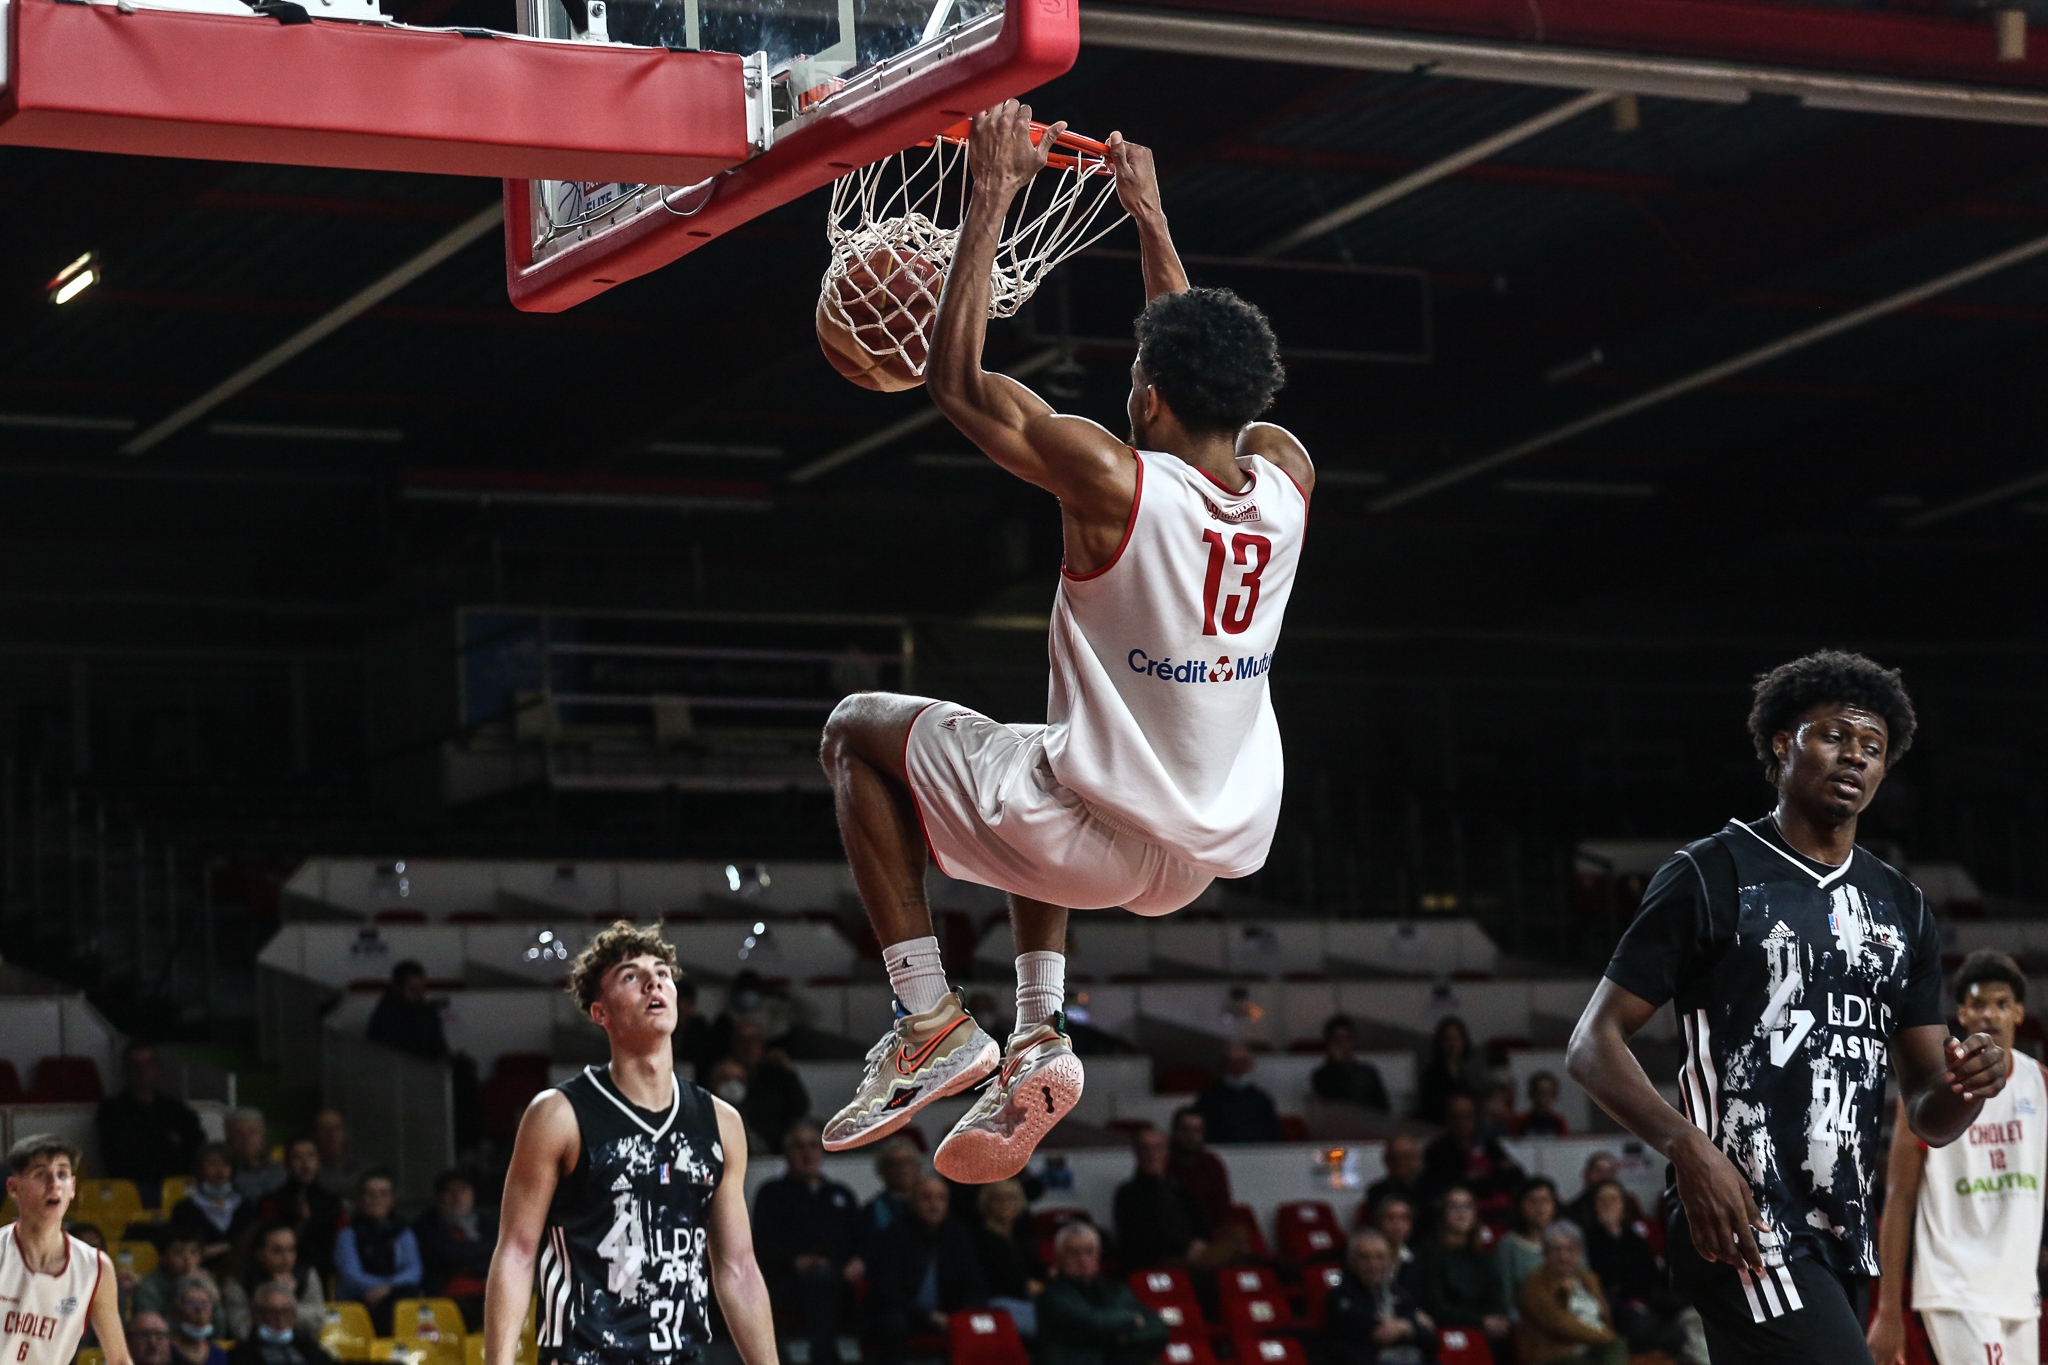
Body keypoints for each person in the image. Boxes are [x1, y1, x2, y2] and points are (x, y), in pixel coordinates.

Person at [816, 103, 1310, 1190]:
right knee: (1043, 748)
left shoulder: (1109, 479)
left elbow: (955, 387)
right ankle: (1037, 1030)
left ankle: (925, 1018)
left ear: (1146, 396)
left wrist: (990, 191)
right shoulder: (1286, 477)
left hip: (1086, 840)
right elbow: (1189, 349)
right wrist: (1148, 216)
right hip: (1192, 857)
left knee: (854, 732)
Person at [1567, 651, 2008, 1363]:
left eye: (1873, 748)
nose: (1855, 757)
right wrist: (1689, 1149)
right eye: (1835, 736)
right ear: (1783, 741)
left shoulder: (1902, 906)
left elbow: (1929, 1105)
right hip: (1747, 1216)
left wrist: (1967, 1087)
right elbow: (1593, 1042)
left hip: (1844, 1224)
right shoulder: (1713, 871)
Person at [482, 922, 776, 1365]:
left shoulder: (721, 1122)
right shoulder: (558, 1114)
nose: (654, 981)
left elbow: (738, 1269)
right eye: (630, 976)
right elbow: (517, 1253)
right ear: (600, 1013)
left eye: (661, 972)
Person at [1870, 950, 2045, 1365]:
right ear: (1962, 1014)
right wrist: (1889, 1310)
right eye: (1979, 1004)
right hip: (1955, 1287)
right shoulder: (1935, 1089)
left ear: (2019, 1013)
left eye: (2002, 1004)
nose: (1990, 1015)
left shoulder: (2039, 1082)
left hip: (2020, 1293)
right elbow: (1898, 1197)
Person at [0, 1134, 131, 1365]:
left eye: (62, 1174)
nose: (54, 1185)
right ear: (13, 1188)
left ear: (72, 1188)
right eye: (40, 1175)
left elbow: (119, 1359)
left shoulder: (96, 1267)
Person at [753, 1120, 862, 1365]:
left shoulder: (840, 1193)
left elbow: (862, 1238)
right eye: (799, 1146)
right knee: (819, 1280)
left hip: (842, 1278)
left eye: (813, 1145)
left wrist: (859, 1260)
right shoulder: (771, 1193)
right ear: (787, 1154)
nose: (807, 1152)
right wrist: (795, 1261)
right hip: (790, 1281)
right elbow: (763, 1243)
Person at [863, 1175, 987, 1365]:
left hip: (947, 1313)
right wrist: (926, 1316)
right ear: (913, 1202)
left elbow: (975, 1284)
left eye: (940, 1198)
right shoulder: (895, 1234)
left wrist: (960, 1316)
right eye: (926, 1198)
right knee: (893, 1322)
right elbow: (887, 1291)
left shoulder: (958, 1234)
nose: (934, 1205)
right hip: (905, 1312)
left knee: (981, 1321)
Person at [1581, 1180, 1697, 1361]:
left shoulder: (1635, 1238)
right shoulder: (1588, 1239)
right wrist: (1611, 1236)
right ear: (1593, 1206)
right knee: (1659, 1330)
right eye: (1602, 1201)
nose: (1608, 1206)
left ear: (1622, 1205)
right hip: (1615, 1305)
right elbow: (1605, 1278)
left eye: (1613, 1200)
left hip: (1649, 1299)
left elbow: (1651, 1274)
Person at [1036, 1223, 1168, 1365]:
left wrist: (1122, 1336)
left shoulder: (1115, 1290)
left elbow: (1159, 1329)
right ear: (1059, 1257)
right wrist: (1132, 1320)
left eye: (1089, 1251)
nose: (1083, 1260)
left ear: (1099, 1254)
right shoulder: (1051, 1297)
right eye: (1074, 1253)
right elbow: (1093, 1323)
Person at [96, 1042, 206, 1206]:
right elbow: (118, 1158)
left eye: (149, 1063)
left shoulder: (176, 1110)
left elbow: (195, 1146)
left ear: (157, 1067)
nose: (143, 1070)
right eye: (136, 1065)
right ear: (126, 1070)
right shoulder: (112, 1112)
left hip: (178, 1186)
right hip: (132, 1190)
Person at [1515, 1223, 1627, 1365]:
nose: (1563, 1256)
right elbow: (1560, 1323)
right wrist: (1605, 1337)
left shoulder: (1588, 1278)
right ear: (1545, 1252)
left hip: (1594, 1345)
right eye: (1556, 1250)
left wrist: (1607, 1338)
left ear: (1580, 1251)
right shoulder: (1535, 1284)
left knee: (1617, 1345)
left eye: (1570, 1249)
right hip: (1558, 1352)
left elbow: (1604, 1317)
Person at [1415, 1186, 1510, 1349]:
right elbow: (1436, 1307)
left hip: (1485, 1334)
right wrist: (1481, 1321)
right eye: (1454, 1206)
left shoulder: (1485, 1256)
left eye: (1467, 1206)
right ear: (1442, 1213)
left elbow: (1497, 1299)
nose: (1462, 1212)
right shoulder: (1429, 1255)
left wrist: (1497, 1320)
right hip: (1445, 1335)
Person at [1323, 1229, 1435, 1365]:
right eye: (1365, 1257)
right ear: (1352, 1260)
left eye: (1380, 1257)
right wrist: (1410, 1326)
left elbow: (1432, 1340)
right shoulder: (1341, 1296)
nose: (1373, 1264)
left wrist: (1405, 1327)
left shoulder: (1400, 1293)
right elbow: (1378, 1333)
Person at [332, 1171, 421, 1335]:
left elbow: (414, 1271)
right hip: (359, 1300)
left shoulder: (403, 1232)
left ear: (392, 1199)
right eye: (370, 1193)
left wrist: (388, 1288)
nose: (377, 1199)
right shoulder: (347, 1234)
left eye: (383, 1193)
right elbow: (352, 1276)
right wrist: (384, 1288)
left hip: (395, 1295)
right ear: (360, 1198)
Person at [1112, 1127, 1213, 1270]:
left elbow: (1201, 1228)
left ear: (1167, 1153)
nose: (1151, 1155)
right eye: (1145, 1149)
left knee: (1237, 1236)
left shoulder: (1181, 1191)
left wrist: (1199, 1245)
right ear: (1137, 1154)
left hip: (1193, 1256)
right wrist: (1185, 1249)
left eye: (1157, 1148)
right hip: (1156, 1262)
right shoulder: (1127, 1194)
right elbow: (1136, 1241)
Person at [414, 1170, 495, 1326]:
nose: (457, 1197)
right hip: (446, 1298)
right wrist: (479, 1255)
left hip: (488, 1294)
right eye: (450, 1191)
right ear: (439, 1197)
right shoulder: (427, 1227)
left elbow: (498, 1255)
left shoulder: (488, 1226)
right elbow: (446, 1255)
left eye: (463, 1190)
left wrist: (467, 1262)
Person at [258, 1139, 345, 1281]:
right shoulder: (272, 1201)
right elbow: (268, 1242)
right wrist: (300, 1223)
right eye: (297, 1157)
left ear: (318, 1162)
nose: (305, 1163)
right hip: (282, 1274)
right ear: (287, 1164)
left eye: (310, 1156)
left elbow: (342, 1241)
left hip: (325, 1271)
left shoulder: (333, 1201)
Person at [1422, 1093, 1523, 1211]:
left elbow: (1515, 1173)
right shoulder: (1437, 1151)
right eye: (1457, 1116)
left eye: (1467, 1116)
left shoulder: (1489, 1145)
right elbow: (1448, 1184)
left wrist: (1481, 1180)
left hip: (1498, 1210)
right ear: (1448, 1119)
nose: (1462, 1122)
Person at [223, 1225, 326, 1340]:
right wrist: (268, 1301)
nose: (286, 1258)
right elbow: (241, 1330)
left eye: (291, 1250)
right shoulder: (239, 1280)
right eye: (277, 1251)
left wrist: (289, 1300)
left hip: (299, 1346)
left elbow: (317, 1324)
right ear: (260, 1253)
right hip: (254, 1349)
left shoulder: (307, 1275)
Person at [724, 1020, 812, 1154]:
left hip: (778, 1143)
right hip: (738, 1143)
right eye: (744, 1040)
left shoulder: (776, 1073)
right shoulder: (723, 1073)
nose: (749, 1046)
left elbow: (801, 1106)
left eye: (755, 1040)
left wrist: (790, 1071)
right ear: (734, 1044)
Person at [969, 1180, 1044, 1336]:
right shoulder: (979, 1238)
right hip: (995, 1303)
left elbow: (1039, 1269)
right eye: (998, 1199)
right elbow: (1004, 1279)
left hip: (1025, 1299)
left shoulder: (1020, 1238)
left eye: (1011, 1199)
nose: (1005, 1204)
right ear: (987, 1203)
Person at [170, 1144, 259, 1274]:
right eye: (213, 1164)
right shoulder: (184, 1209)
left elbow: (254, 1244)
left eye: (225, 1164)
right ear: (200, 1169)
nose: (220, 1170)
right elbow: (180, 1250)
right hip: (199, 1273)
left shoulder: (246, 1207)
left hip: (243, 1273)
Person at [225, 1282, 339, 1365]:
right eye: (272, 1312)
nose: (280, 1319)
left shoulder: (312, 1351)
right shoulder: (240, 1356)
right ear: (256, 1315)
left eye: (286, 1312)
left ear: (294, 1315)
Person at [1497, 1176, 1561, 1321]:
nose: (1540, 1208)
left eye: (1545, 1201)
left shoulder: (1569, 1238)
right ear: (1520, 1205)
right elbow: (1506, 1295)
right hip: (1528, 1320)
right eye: (1532, 1201)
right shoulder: (1509, 1245)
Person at [1195, 1042, 1285, 1144]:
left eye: (1242, 1063)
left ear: (1249, 1065)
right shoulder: (1208, 1099)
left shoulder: (1262, 1099)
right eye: (1232, 1063)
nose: (1237, 1068)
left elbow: (1274, 1133)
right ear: (1223, 1066)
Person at [1166, 1108, 1235, 1235]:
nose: (1191, 1136)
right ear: (1175, 1132)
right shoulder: (1163, 1163)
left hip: (1209, 1236)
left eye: (1197, 1131)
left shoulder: (1213, 1164)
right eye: (1185, 1130)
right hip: (1171, 1238)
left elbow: (1223, 1210)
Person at [135, 1233, 223, 1332]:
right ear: (162, 1256)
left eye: (193, 1252)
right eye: (178, 1252)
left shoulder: (205, 1279)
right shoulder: (148, 1288)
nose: (188, 1259)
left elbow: (219, 1326)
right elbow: (150, 1328)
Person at [367, 960, 449, 1060]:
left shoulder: (427, 1010)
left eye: (422, 989)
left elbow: (438, 1046)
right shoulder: (386, 1015)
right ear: (397, 989)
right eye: (413, 990)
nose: (420, 995)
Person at [1313, 1016, 1391, 1112]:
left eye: (1347, 1038)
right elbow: (1333, 1103)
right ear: (1330, 1044)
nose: (1344, 1045)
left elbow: (1384, 1108)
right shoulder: (1321, 1076)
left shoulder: (1368, 1072)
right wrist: (1337, 1065)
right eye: (1338, 1040)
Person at [859, 1139, 924, 1249]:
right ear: (882, 1170)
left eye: (907, 1162)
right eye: (894, 1164)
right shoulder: (872, 1210)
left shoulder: (932, 1204)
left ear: (917, 1167)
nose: (902, 1169)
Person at [1416, 1018, 1477, 1125]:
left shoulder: (1466, 1072)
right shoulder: (1432, 1073)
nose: (1453, 1044)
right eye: (1448, 1039)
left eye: (1456, 1039)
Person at [225, 1109, 287, 1202]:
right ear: (229, 1139)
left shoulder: (282, 1171)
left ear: (262, 1136)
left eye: (252, 1132)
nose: (246, 1139)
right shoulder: (223, 1175)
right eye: (239, 1134)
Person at [169, 1274, 229, 1365]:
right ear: (177, 1311)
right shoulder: (166, 1351)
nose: (199, 1310)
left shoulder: (218, 1354)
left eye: (205, 1304)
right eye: (192, 1304)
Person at [1364, 1136, 1427, 1222]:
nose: (1400, 1162)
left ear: (1417, 1158)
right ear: (1386, 1160)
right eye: (1394, 1158)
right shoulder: (1376, 1192)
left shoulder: (1433, 1188)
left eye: (1406, 1157)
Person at [1373, 1196, 1423, 1300]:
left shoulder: (1422, 1259)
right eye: (1390, 1218)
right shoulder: (1367, 1257)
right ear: (1378, 1222)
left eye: (1403, 1218)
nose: (1397, 1224)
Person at [310, 1111, 364, 1205]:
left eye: (337, 1128)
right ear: (315, 1135)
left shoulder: (364, 1170)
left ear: (345, 1133)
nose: (332, 1135)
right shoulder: (308, 1172)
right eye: (324, 1129)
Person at [1561, 1152, 1618, 1233]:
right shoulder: (1572, 1210)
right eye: (1599, 1171)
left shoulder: (1629, 1204)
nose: (1604, 1176)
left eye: (1609, 1171)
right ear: (1587, 1174)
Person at [1517, 1073, 1570, 1138]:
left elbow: (1564, 1144)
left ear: (1554, 1096)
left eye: (1548, 1093)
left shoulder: (1559, 1122)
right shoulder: (1521, 1121)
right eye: (1540, 1092)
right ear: (1532, 1094)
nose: (1544, 1097)